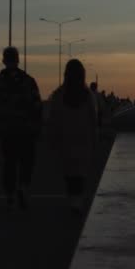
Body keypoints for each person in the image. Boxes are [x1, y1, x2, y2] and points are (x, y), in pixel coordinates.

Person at [0, 46, 43, 210]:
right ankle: (23, 187)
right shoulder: (28, 81)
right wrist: (37, 127)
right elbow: (37, 106)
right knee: (26, 162)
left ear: (4, 60)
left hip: (7, 131)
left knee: (9, 163)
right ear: (18, 60)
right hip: (26, 130)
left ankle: (10, 193)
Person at [48, 59, 97, 215]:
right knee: (80, 171)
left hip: (65, 138)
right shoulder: (88, 95)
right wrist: (94, 136)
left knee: (69, 171)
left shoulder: (58, 95)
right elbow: (93, 118)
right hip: (83, 138)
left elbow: (53, 117)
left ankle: (73, 198)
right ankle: (77, 199)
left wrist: (53, 137)